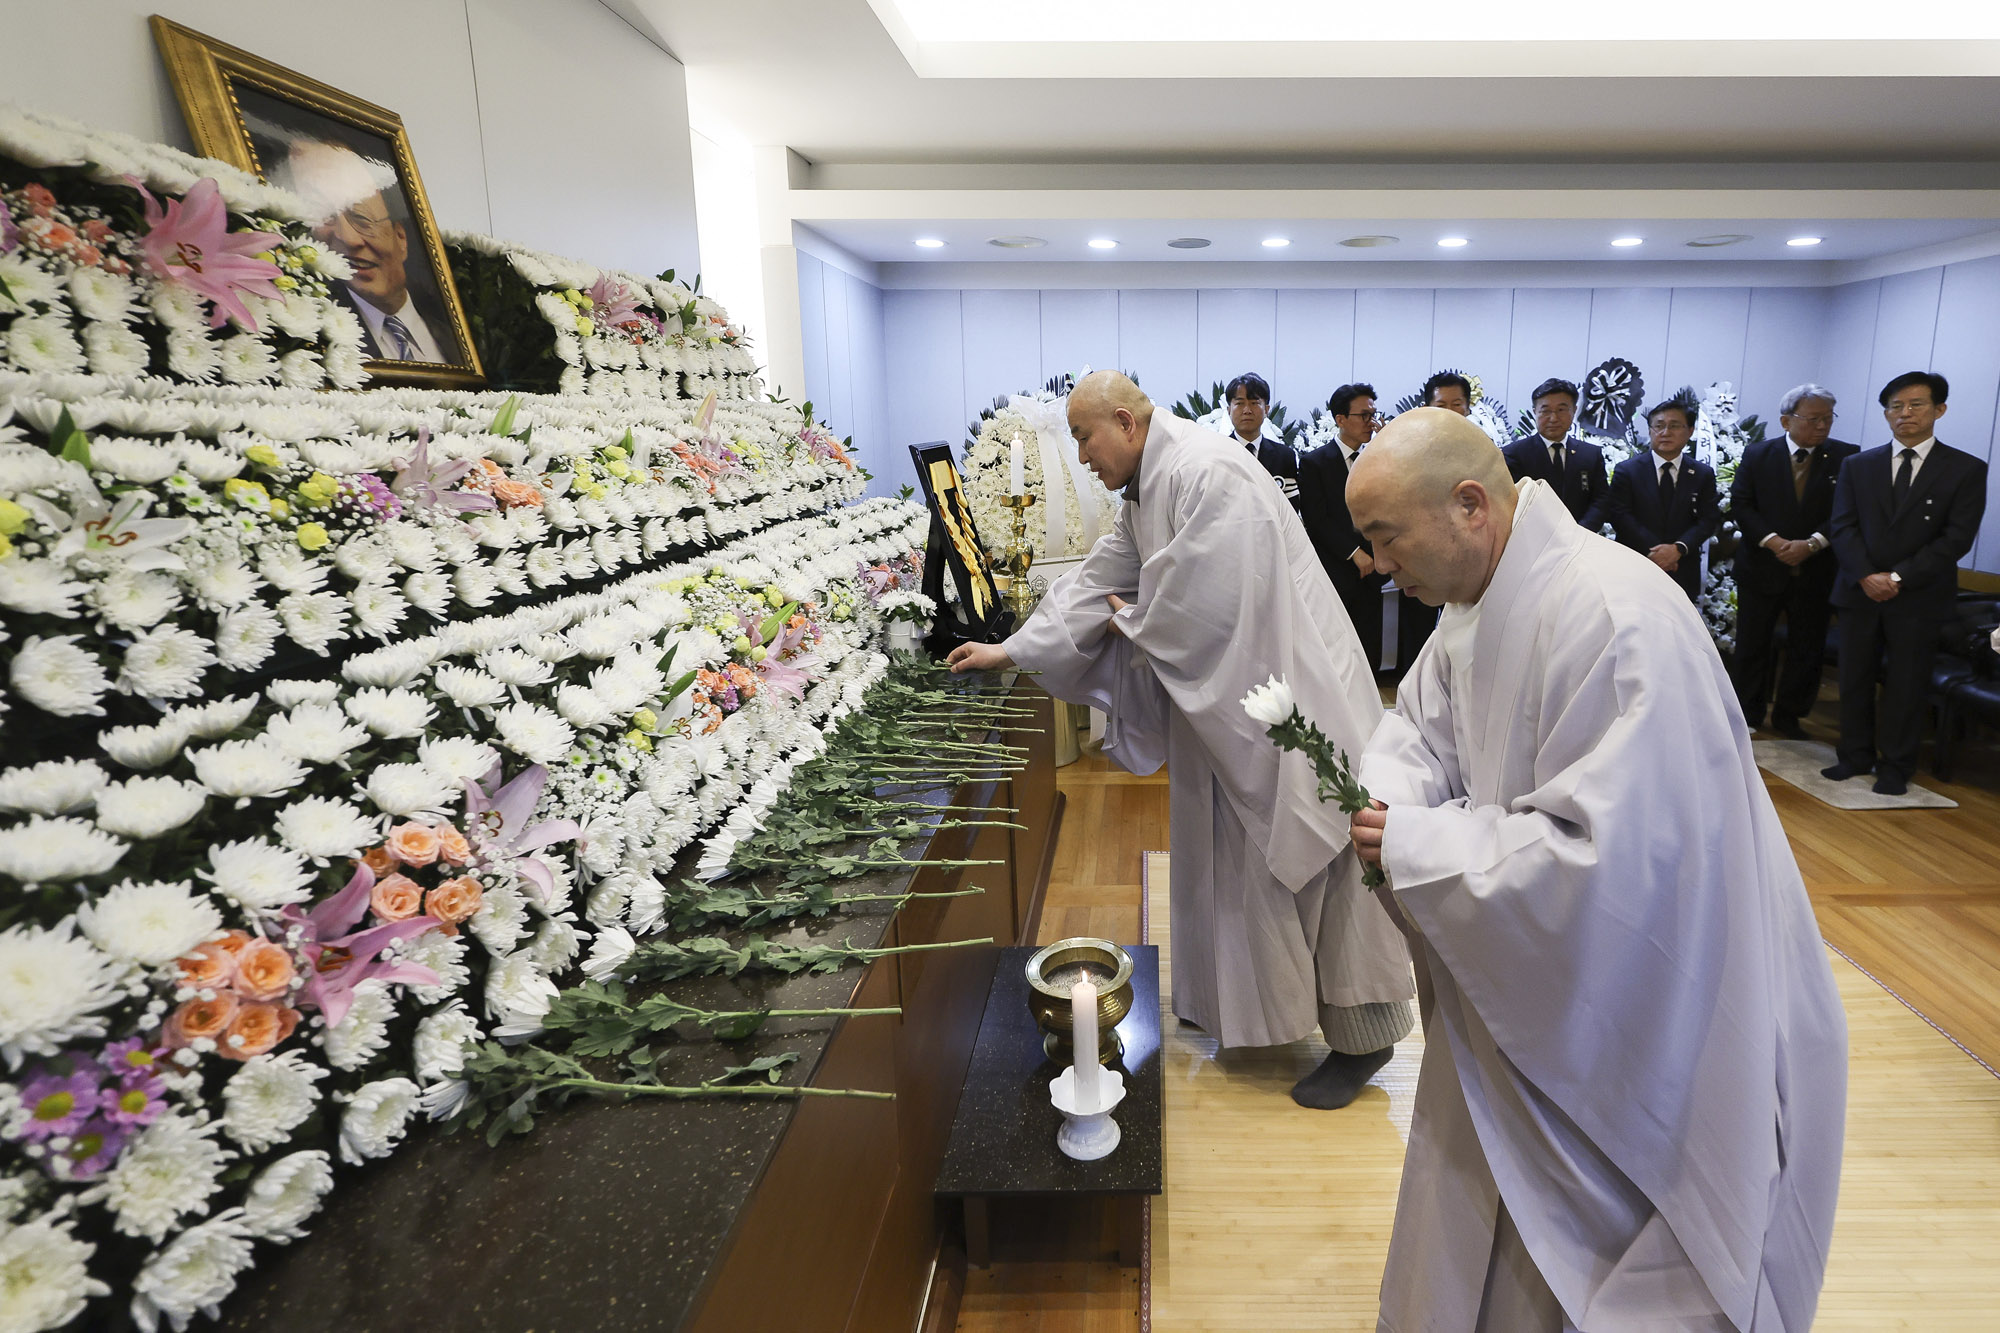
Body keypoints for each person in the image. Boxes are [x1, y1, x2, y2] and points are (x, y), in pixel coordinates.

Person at [1344, 407, 1847, 1332]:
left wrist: (1417, 845)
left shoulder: (1616, 619)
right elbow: (1419, 729)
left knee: (1598, 1258)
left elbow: (1607, 872)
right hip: (1522, 999)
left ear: (1469, 507)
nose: (1375, 564)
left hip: (1626, 1024)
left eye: (1383, 537)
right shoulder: (1474, 600)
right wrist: (1390, 795)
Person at [947, 371, 1414, 1109]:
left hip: (1288, 698)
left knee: (1321, 850)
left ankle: (1365, 1035)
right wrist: (1013, 650)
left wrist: (1134, 620)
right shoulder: (1151, 485)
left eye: (1082, 436)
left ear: (1127, 423)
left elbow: (1215, 604)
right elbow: (1104, 576)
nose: (1081, 455)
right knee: (1229, 858)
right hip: (1232, 708)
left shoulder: (1206, 472)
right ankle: (1251, 1009)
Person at [1823, 370, 1989, 795]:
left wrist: (1897, 576)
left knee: (1906, 682)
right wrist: (1866, 574)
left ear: (1940, 410)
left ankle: (1896, 765)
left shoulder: (1965, 469)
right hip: (1859, 590)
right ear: (1885, 414)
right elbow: (1842, 526)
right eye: (1896, 406)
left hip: (1918, 594)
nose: (1905, 413)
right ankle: (1854, 755)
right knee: (1855, 676)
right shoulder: (1858, 465)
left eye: (1916, 404)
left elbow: (1956, 537)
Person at [1730, 385, 1858, 738]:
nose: (1822, 426)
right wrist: (1774, 542)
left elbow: (1848, 509)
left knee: (1807, 647)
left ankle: (1790, 716)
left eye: (1828, 418)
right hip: (1762, 566)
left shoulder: (1848, 457)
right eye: (1813, 418)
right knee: (1753, 644)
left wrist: (1813, 543)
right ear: (1786, 420)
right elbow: (1742, 504)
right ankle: (1747, 714)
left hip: (1816, 568)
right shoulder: (1758, 454)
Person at [281, 139, 453, 363]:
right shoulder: (307, 347)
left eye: (362, 219)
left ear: (401, 237)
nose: (349, 239)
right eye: (321, 213)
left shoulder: (455, 336)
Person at [1298, 383, 1387, 669]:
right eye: (1363, 415)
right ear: (1340, 419)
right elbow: (1316, 519)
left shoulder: (1380, 460)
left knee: (1369, 649)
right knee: (1335, 650)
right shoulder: (1315, 463)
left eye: (1374, 414)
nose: (1371, 422)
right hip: (1336, 569)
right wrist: (1354, 553)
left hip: (1374, 569)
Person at [1608, 400, 1721, 601]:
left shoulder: (1703, 474)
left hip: (1682, 568)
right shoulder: (1628, 470)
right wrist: (1658, 553)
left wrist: (1677, 549)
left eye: (1675, 426)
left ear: (1690, 431)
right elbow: (1619, 515)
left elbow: (1708, 519)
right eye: (1659, 426)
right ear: (1651, 431)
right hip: (1636, 564)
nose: (1666, 432)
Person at [1503, 378, 1610, 530]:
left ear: (1573, 411)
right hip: (1531, 540)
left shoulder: (1591, 455)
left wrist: (1581, 531)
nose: (1553, 418)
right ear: (1535, 412)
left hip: (1581, 539)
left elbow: (1601, 500)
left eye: (1561, 410)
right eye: (1545, 410)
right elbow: (1509, 501)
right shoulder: (1514, 454)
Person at [1223, 372, 1302, 509]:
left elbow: (1291, 507)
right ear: (1229, 410)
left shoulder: (1284, 456)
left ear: (1266, 410)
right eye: (1240, 403)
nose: (1247, 410)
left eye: (1254, 403)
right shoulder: (1217, 452)